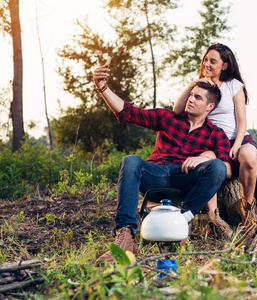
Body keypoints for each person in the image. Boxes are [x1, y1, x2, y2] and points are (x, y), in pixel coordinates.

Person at [93, 62, 234, 264]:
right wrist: (102, 86)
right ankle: (126, 237)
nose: (190, 99)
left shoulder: (215, 134)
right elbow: (127, 112)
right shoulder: (167, 118)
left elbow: (226, 170)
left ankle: (182, 222)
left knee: (218, 166)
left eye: (197, 97)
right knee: (131, 161)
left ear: (210, 106)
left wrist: (204, 158)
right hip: (155, 174)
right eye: (191, 94)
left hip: (185, 179)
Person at [173, 43, 257, 224]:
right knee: (207, 163)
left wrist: (236, 144)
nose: (207, 65)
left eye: (213, 61)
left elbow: (241, 120)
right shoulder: (200, 86)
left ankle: (247, 209)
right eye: (205, 60)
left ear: (224, 65)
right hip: (209, 140)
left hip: (236, 138)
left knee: (250, 155)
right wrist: (193, 84)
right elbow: (177, 110)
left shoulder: (233, 85)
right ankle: (213, 217)